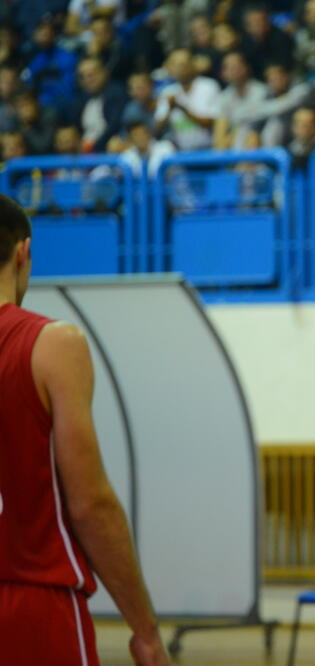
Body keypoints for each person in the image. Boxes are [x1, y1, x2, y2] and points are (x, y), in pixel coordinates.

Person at [0, 194, 170, 665]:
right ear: (23, 253)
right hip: (33, 600)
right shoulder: (51, 344)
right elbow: (90, 504)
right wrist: (145, 630)